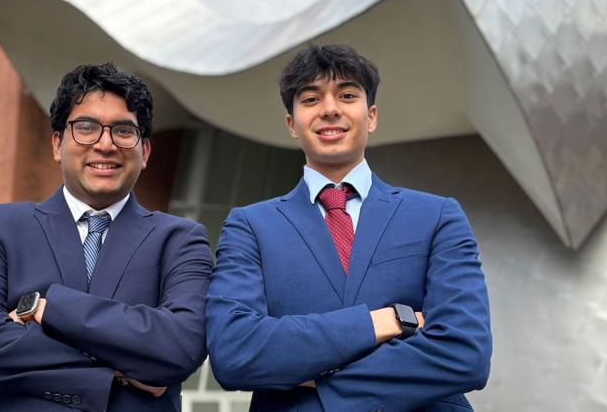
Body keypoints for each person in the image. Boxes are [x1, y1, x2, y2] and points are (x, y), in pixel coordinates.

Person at [205, 44, 492, 411]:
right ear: (292, 125)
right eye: (310, 99)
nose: (329, 108)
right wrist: (382, 321)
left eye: (347, 95)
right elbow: (235, 353)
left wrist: (319, 379)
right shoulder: (251, 227)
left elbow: (466, 351)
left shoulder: (437, 216)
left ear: (370, 116)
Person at [0, 62, 212, 411]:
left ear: (145, 152)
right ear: (57, 144)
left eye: (124, 131)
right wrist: (116, 374)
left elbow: (180, 348)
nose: (105, 144)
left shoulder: (180, 240)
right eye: (86, 127)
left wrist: (43, 309)